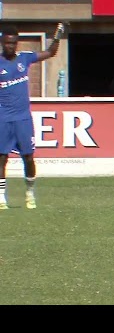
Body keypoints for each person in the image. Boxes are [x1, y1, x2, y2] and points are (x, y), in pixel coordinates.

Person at [0, 23, 64, 210]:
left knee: (28, 156)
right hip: (3, 118)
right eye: (6, 43)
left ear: (17, 43)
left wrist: (58, 35)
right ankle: (1, 198)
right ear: (2, 43)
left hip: (23, 118)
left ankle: (30, 193)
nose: (9, 46)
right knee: (2, 158)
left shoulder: (25, 59)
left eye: (13, 43)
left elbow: (50, 53)